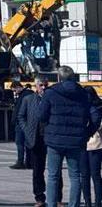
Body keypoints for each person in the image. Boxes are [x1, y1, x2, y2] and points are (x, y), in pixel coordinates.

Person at [38, 65, 101, 207]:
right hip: (76, 141)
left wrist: (48, 128)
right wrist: (87, 133)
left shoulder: (51, 93)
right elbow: (95, 116)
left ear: (59, 77)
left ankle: (51, 204)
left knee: (53, 176)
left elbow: (41, 115)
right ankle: (74, 204)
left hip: (55, 140)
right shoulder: (82, 93)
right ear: (73, 77)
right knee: (75, 176)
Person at [19, 78, 64, 207]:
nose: (43, 88)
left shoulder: (53, 98)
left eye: (45, 85)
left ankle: (57, 198)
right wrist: (27, 129)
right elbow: (21, 116)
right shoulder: (28, 99)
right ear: (36, 86)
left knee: (55, 170)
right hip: (35, 139)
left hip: (51, 138)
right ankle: (39, 198)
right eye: (41, 85)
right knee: (37, 170)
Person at [81, 86, 102, 207]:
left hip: (95, 144)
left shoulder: (98, 107)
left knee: (93, 175)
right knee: (87, 175)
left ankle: (96, 202)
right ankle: (89, 202)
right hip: (87, 144)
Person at [10, 80, 34, 169]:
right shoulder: (26, 94)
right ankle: (29, 162)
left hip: (22, 123)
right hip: (25, 122)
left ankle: (21, 161)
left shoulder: (25, 95)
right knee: (27, 143)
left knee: (20, 143)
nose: (14, 92)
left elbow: (20, 110)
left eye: (14, 90)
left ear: (18, 87)